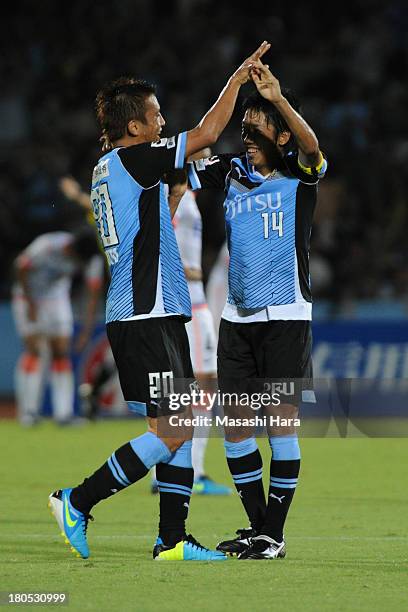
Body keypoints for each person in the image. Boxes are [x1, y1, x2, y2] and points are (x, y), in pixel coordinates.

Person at [48, 41, 271, 562]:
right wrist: (237, 80)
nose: (163, 122)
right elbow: (209, 133)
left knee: (175, 425)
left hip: (155, 309)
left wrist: (175, 192)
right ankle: (76, 500)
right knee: (174, 427)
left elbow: (154, 223)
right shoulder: (133, 157)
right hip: (144, 313)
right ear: (134, 127)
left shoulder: (116, 168)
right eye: (156, 117)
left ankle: (171, 540)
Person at [186, 59, 327, 559]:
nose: (246, 136)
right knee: (237, 428)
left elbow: (313, 148)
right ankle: (261, 530)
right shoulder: (230, 174)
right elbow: (192, 149)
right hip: (236, 319)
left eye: (257, 128)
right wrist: (235, 86)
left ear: (280, 137)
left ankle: (274, 534)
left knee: (280, 427)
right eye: (245, 128)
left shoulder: (300, 178)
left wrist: (279, 99)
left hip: (287, 317)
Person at [151, 159, 231, 496]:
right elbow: (152, 240)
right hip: (186, 301)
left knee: (193, 386)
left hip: (191, 301)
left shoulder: (189, 197)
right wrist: (184, 271)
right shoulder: (173, 197)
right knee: (198, 384)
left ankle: (178, 471)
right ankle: (184, 472)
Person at [12, 227, 104, 425]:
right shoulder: (48, 244)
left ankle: (64, 414)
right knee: (34, 351)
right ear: (71, 247)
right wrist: (29, 303)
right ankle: (28, 413)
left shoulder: (91, 258)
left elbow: (92, 293)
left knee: (61, 353)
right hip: (28, 296)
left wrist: (86, 331)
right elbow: (20, 266)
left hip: (56, 298)